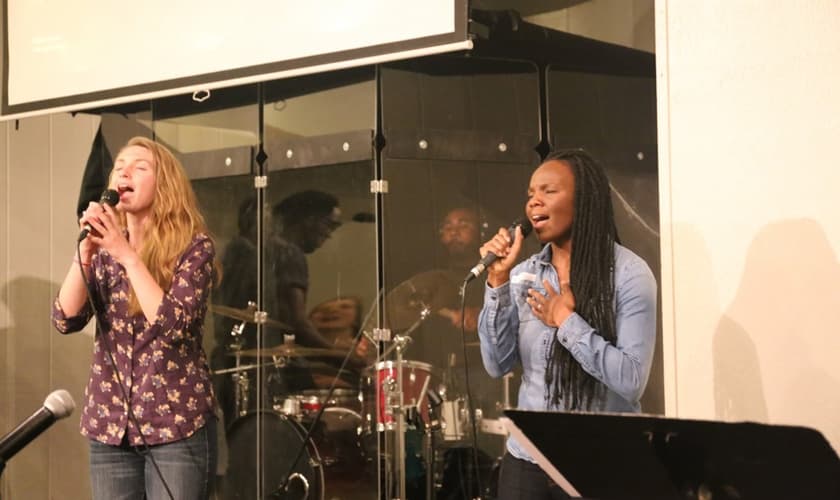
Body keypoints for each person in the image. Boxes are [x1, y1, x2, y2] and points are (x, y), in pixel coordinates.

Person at [476, 149, 657, 500]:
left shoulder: (629, 275)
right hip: (526, 462)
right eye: (530, 194)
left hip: (599, 463)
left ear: (584, 201)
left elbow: (632, 381)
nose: (533, 203)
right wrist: (497, 280)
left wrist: (567, 322)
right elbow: (496, 364)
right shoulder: (525, 273)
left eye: (548, 191)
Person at [51, 137, 220, 500]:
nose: (124, 171)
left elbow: (174, 326)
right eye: (120, 166)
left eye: (140, 166)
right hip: (109, 426)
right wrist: (83, 252)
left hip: (176, 426)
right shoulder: (104, 248)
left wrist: (126, 255)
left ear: (165, 184)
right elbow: (64, 317)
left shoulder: (194, 247)